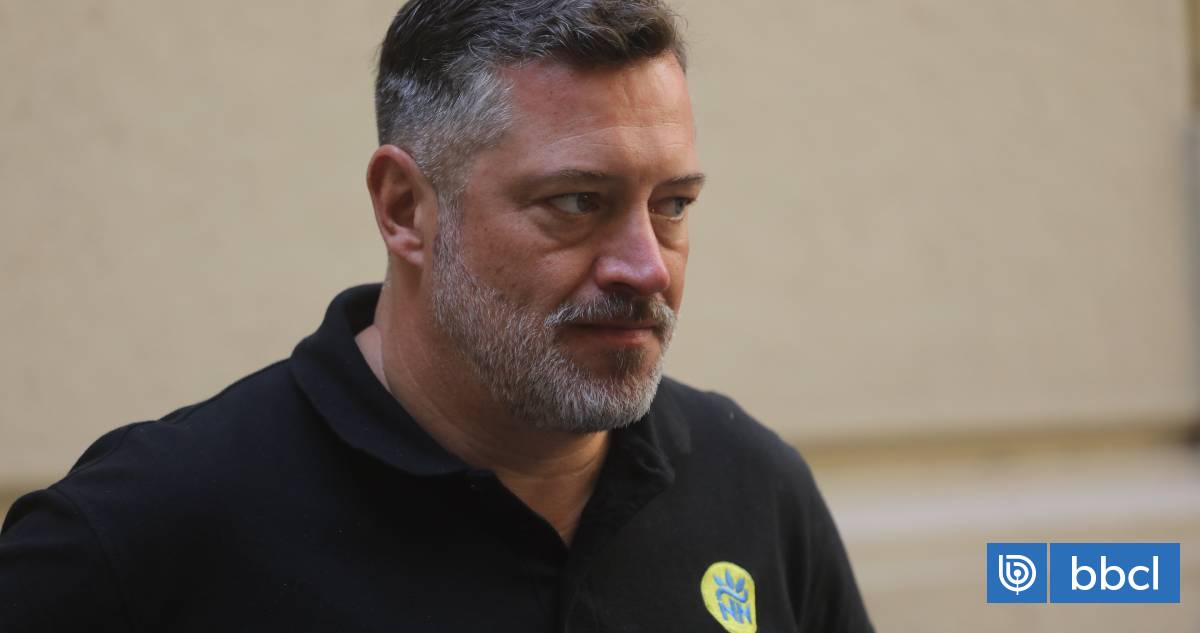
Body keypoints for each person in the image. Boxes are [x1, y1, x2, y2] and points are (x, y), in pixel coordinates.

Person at [0, 1, 873, 631]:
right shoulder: (145, 533)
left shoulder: (753, 485)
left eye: (672, 204)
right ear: (405, 208)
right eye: (578, 202)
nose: (646, 266)